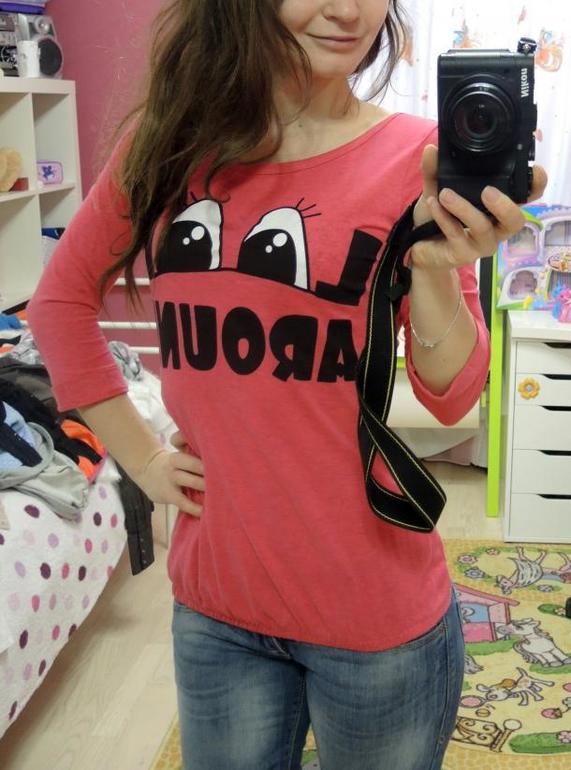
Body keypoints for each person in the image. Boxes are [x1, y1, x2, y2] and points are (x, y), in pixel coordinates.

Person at [26, 1, 548, 768]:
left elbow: (452, 393)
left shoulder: (417, 157)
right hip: (217, 609)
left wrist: (435, 270)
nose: (347, 10)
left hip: (376, 621)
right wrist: (141, 460)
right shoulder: (167, 148)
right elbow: (59, 304)